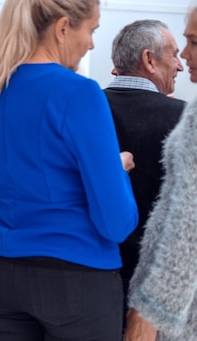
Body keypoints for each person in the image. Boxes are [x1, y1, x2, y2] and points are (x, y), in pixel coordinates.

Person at [0, 0, 138, 339]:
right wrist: (116, 169)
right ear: (62, 28)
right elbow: (116, 223)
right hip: (77, 281)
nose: (91, 43)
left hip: (0, 274)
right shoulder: (80, 93)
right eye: (91, 30)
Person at [125, 7, 197, 340]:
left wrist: (149, 314)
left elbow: (188, 225)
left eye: (194, 42)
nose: (184, 56)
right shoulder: (186, 112)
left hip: (174, 310)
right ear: (149, 60)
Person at [104, 19, 185, 311]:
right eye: (174, 53)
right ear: (149, 60)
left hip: (86, 274)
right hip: (153, 284)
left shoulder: (83, 109)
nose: (181, 65)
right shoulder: (184, 119)